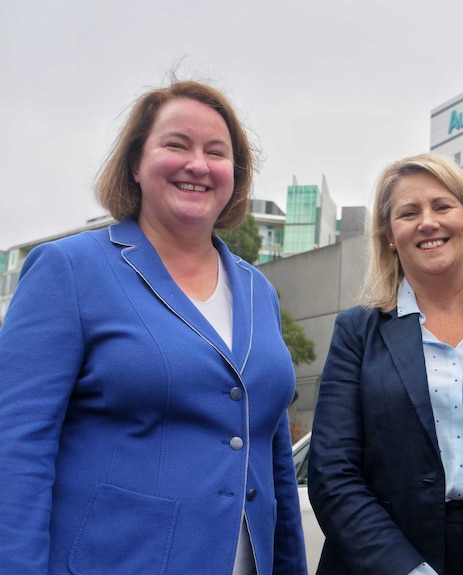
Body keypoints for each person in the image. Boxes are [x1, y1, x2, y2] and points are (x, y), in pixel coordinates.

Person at [0, 80, 307, 575]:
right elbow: (14, 451)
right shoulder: (70, 269)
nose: (198, 164)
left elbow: (270, 455)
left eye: (216, 151)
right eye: (176, 144)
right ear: (136, 164)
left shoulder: (258, 291)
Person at [308, 153, 463, 574]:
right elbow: (333, 474)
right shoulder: (355, 334)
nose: (428, 222)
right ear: (389, 236)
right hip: (383, 563)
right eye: (409, 212)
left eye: (442, 206)